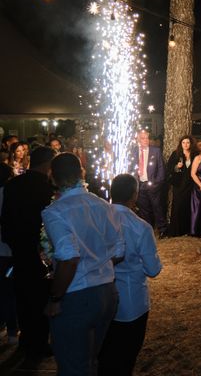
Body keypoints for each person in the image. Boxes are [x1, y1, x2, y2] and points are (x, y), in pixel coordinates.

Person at [42, 153, 124, 375]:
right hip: (107, 291)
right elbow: (119, 251)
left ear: (54, 178)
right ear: (81, 174)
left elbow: (69, 258)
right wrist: (96, 259)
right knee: (90, 361)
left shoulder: (55, 211)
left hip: (76, 295)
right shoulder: (102, 205)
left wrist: (55, 298)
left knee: (72, 366)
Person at [98, 174, 162, 376]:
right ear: (134, 195)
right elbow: (153, 270)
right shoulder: (140, 226)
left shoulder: (97, 218)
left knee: (104, 355)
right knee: (125, 357)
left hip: (99, 295)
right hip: (131, 302)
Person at [0, 146, 55, 362]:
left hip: (17, 247)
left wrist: (12, 240)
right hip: (38, 248)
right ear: (48, 164)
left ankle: (26, 340)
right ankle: (39, 343)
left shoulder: (13, 184)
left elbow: (6, 217)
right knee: (40, 296)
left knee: (22, 294)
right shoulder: (45, 187)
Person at [133, 130, 166, 235]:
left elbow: (161, 168)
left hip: (153, 184)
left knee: (157, 207)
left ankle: (162, 229)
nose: (146, 140)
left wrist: (157, 182)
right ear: (138, 140)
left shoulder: (155, 151)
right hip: (140, 185)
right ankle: (148, 230)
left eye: (147, 138)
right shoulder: (133, 152)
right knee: (144, 209)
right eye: (143, 138)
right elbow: (131, 168)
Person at [0, 163, 18, 346]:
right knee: (8, 290)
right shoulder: (11, 194)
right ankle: (12, 330)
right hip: (8, 250)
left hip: (4, 250)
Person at [166, 136, 196, 237]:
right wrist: (176, 167)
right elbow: (169, 168)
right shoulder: (176, 154)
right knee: (178, 206)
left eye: (188, 142)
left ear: (191, 143)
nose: (186, 144)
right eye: (184, 142)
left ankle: (188, 229)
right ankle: (177, 230)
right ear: (181, 144)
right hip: (179, 184)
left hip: (191, 184)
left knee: (189, 206)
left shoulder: (195, 154)